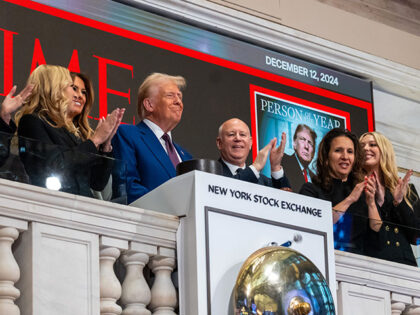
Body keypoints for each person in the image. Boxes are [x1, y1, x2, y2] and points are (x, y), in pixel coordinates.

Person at [15, 65, 124, 197]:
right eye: (72, 87)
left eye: (83, 92)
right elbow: (54, 166)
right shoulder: (32, 121)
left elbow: (97, 183)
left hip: (83, 206)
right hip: (53, 203)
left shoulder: (76, 134)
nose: (78, 95)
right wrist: (95, 140)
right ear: (53, 88)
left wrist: (105, 146)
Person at [112, 72, 192, 203]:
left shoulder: (186, 157)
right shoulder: (128, 134)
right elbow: (128, 187)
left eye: (180, 97)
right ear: (149, 105)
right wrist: (170, 206)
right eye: (170, 96)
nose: (178, 102)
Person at [300, 128, 381, 254]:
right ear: (326, 158)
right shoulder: (311, 190)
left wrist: (371, 203)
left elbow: (377, 229)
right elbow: (317, 225)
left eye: (350, 152)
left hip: (360, 265)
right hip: (323, 259)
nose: (345, 157)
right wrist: (349, 200)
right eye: (338, 151)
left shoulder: (363, 193)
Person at [360, 131, 418, 266]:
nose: (366, 148)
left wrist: (399, 202)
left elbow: (417, 237)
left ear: (384, 151)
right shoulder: (355, 189)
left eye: (372, 145)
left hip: (405, 265)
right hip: (371, 264)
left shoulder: (407, 190)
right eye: (361, 146)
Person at [216, 118, 290, 189]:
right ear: (219, 143)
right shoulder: (210, 173)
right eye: (231, 134)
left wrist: (276, 167)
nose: (238, 138)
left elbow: (286, 199)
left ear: (251, 143)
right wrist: (256, 166)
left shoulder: (264, 182)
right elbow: (226, 190)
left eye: (242, 135)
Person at [282, 124, 317, 192]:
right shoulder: (284, 161)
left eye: (310, 143)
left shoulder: (316, 180)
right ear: (294, 144)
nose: (306, 146)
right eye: (303, 140)